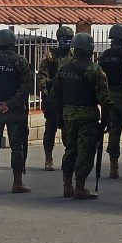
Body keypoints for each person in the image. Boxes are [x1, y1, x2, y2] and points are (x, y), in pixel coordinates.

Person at [51, 32, 111, 200]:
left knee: (70, 150)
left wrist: (60, 116)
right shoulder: (95, 70)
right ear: (90, 49)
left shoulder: (63, 68)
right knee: (85, 152)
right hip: (88, 118)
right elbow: (104, 99)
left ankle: (67, 185)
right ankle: (80, 187)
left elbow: (55, 95)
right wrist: (106, 120)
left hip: (68, 116)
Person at [0, 28, 33, 193]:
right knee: (17, 148)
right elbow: (26, 87)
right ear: (12, 44)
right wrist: (10, 104)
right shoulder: (20, 61)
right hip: (15, 112)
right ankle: (17, 183)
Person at [96, 24, 122, 179]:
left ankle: (114, 167)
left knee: (113, 131)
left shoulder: (104, 56)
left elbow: (99, 79)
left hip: (109, 98)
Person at [37, 25, 74, 170]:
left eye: (70, 38)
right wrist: (46, 93)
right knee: (50, 130)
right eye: (65, 38)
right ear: (59, 39)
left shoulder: (74, 56)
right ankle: (48, 158)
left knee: (68, 132)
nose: (68, 41)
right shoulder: (51, 56)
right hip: (53, 99)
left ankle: (68, 159)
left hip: (68, 100)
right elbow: (42, 76)